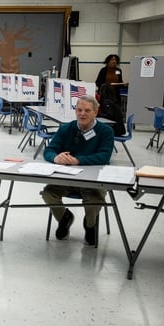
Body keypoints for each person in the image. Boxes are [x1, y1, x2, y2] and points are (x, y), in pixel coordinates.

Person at [40, 95, 115, 246]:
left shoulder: (105, 131)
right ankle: (64, 218)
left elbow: (104, 156)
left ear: (96, 112)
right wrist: (56, 158)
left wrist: (78, 160)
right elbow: (48, 150)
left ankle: (89, 225)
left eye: (87, 110)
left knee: (94, 199)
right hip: (67, 179)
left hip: (92, 181)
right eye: (79, 110)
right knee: (48, 193)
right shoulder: (66, 128)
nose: (82, 114)